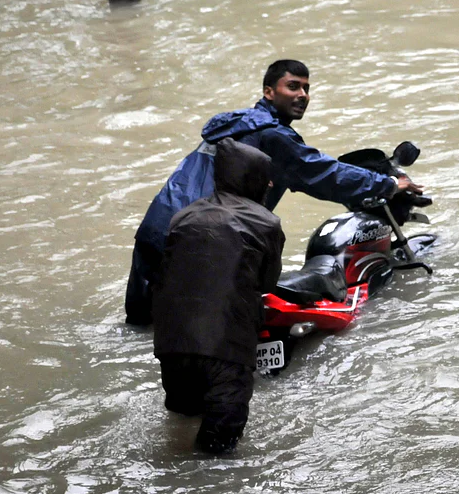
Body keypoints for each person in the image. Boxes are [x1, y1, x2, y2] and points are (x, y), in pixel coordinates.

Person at [125, 59, 423, 325]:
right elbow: (323, 174)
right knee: (223, 328)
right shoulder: (272, 135)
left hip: (157, 227)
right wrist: (388, 184)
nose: (302, 95)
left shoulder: (234, 124)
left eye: (306, 88)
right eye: (293, 86)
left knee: (144, 325)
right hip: (209, 239)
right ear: (269, 91)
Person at [152, 139, 285, 454]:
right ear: (252, 178)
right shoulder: (266, 222)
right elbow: (268, 280)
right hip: (226, 347)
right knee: (218, 452)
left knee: (181, 420)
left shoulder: (183, 216)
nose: (269, 183)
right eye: (265, 176)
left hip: (172, 345)